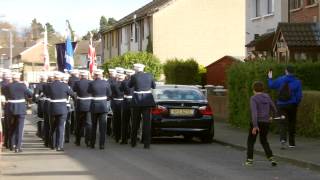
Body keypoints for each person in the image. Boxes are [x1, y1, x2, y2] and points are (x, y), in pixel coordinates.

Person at [268, 66, 302, 149]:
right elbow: (299, 95)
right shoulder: (297, 82)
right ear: (293, 72)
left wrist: (270, 78)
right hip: (292, 105)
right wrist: (296, 102)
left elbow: (271, 85)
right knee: (292, 122)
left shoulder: (280, 79)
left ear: (286, 71)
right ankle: (292, 143)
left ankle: (283, 139)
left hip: (281, 104)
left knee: (282, 121)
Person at [245, 81, 277, 166]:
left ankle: (249, 160)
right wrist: (272, 116)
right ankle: (271, 158)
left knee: (251, 141)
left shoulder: (254, 98)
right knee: (264, 140)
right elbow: (274, 108)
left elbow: (254, 113)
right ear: (262, 89)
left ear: (254, 90)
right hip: (266, 122)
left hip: (256, 122)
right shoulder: (267, 97)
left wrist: (255, 126)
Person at [129, 63, 156, 149]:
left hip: (137, 100)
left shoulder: (134, 76)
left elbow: (130, 85)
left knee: (135, 122)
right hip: (147, 101)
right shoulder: (150, 75)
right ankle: (146, 144)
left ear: (136, 69)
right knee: (147, 123)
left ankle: (133, 142)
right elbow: (154, 86)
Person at [4, 72, 32, 152]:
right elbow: (30, 94)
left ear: (12, 78)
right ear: (19, 78)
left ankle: (11, 145)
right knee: (20, 128)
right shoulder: (22, 85)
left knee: (11, 127)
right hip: (20, 108)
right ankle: (18, 147)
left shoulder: (7, 86)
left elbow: (6, 95)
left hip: (10, 108)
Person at [48, 72, 75, 151]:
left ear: (54, 77)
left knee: (52, 127)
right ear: (61, 78)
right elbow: (72, 94)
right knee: (61, 127)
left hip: (52, 108)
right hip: (62, 109)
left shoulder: (50, 85)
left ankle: (52, 144)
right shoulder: (65, 85)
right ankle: (59, 146)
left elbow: (47, 95)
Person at [88, 69, 112, 149]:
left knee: (93, 126)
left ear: (95, 75)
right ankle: (101, 144)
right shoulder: (106, 83)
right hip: (103, 106)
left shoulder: (92, 83)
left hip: (94, 106)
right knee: (103, 127)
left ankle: (92, 143)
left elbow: (89, 91)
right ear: (101, 75)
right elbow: (109, 94)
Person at [74, 70, 92, 147]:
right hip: (88, 104)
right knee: (88, 123)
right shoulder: (90, 82)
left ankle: (77, 141)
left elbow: (74, 91)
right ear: (87, 76)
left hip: (80, 104)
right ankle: (88, 141)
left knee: (79, 123)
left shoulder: (77, 83)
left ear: (80, 76)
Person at [120, 69, 135, 144]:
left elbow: (120, 90)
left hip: (126, 101)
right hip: (134, 102)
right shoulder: (136, 82)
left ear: (127, 75)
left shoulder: (124, 82)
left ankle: (124, 139)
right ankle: (133, 140)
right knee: (133, 122)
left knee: (125, 122)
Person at [110, 68, 125, 143]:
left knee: (116, 120)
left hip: (115, 103)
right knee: (123, 120)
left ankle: (116, 136)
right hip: (123, 102)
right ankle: (124, 135)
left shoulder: (113, 85)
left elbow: (110, 94)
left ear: (117, 77)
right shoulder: (126, 84)